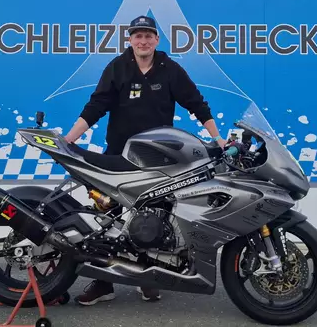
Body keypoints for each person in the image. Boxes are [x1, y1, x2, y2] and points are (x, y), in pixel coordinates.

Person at [62, 15, 227, 306]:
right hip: (118, 156)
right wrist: (69, 139)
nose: (143, 41)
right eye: (138, 36)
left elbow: (196, 103)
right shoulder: (117, 67)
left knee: (154, 219)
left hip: (159, 159)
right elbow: (96, 105)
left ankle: (149, 279)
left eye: (148, 36)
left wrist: (218, 139)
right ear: (130, 40)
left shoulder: (170, 69)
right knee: (107, 219)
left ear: (156, 40)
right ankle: (103, 283)